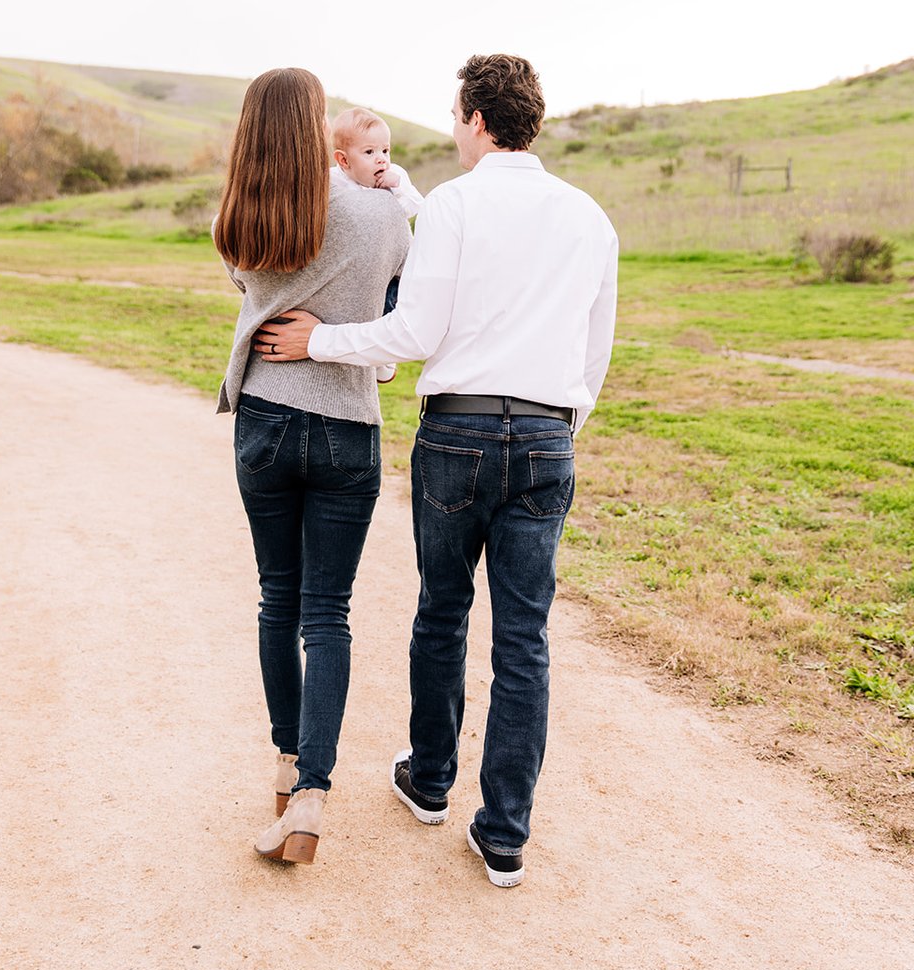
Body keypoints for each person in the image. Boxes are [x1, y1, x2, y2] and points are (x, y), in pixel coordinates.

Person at [255, 53, 618, 887]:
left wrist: (322, 342)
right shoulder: (589, 217)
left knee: (442, 613)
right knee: (524, 639)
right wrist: (560, 425)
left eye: (457, 116)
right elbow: (593, 351)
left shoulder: (454, 205)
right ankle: (504, 834)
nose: (454, 131)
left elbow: (413, 331)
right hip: (548, 435)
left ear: (478, 121)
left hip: (455, 436)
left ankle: (429, 782)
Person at [213, 67, 409, 865]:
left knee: (277, 601)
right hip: (345, 421)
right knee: (329, 612)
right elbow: (400, 285)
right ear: (319, 128)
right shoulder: (380, 213)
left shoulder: (239, 218)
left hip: (263, 414)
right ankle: (314, 795)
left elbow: (248, 286)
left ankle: (289, 761)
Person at [330, 107, 424, 382]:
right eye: (370, 153)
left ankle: (385, 360)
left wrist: (395, 189)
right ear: (343, 161)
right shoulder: (334, 182)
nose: (381, 159)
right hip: (356, 264)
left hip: (392, 264)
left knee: (390, 305)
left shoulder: (395, 176)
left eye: (385, 150)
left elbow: (415, 206)